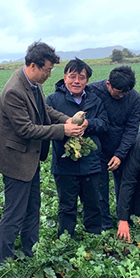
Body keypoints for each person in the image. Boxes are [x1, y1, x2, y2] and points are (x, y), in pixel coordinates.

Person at [0, 42, 85, 263]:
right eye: (47, 70)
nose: (49, 75)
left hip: (29, 159)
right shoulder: (15, 90)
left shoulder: (33, 83)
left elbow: (45, 110)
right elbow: (26, 129)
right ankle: (4, 261)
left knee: (33, 207)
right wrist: (64, 130)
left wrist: (66, 119)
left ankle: (30, 251)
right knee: (14, 212)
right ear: (33, 65)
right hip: (16, 159)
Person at [46, 58, 108, 238]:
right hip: (64, 164)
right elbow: (46, 126)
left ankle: (93, 239)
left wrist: (88, 123)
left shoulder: (95, 101)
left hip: (91, 163)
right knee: (67, 207)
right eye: (72, 76)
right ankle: (66, 241)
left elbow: (104, 124)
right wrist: (65, 130)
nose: (77, 81)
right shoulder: (53, 100)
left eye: (81, 77)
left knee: (93, 205)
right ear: (65, 78)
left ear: (87, 80)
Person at [88, 66, 140, 230]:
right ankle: (104, 226)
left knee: (126, 185)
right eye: (118, 92)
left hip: (122, 148)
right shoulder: (93, 91)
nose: (122, 96)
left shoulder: (133, 97)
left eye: (125, 92)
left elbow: (132, 128)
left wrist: (119, 154)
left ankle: (128, 220)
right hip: (97, 149)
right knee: (100, 189)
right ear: (109, 83)